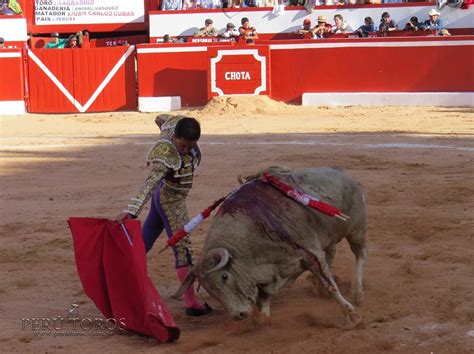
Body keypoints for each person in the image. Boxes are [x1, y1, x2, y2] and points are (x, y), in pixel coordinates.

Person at [116, 115, 212, 317]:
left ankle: (121, 280)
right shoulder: (165, 154)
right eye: (182, 145)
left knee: (144, 241)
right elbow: (149, 183)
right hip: (170, 200)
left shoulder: (174, 125)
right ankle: (192, 304)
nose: (185, 150)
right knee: (183, 249)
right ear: (175, 136)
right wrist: (132, 209)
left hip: (166, 197)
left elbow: (160, 118)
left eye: (190, 146)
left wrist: (162, 128)